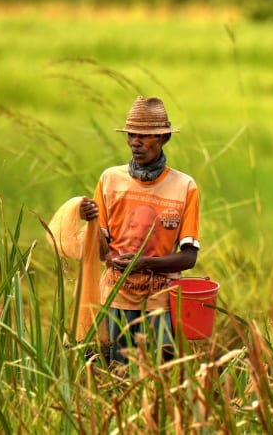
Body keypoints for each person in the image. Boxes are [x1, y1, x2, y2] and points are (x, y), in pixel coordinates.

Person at [79, 96, 200, 364]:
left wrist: (143, 263)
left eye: (145, 136)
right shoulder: (110, 180)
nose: (136, 142)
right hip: (115, 299)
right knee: (118, 376)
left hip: (160, 304)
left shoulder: (184, 187)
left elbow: (189, 257)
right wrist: (91, 221)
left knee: (160, 376)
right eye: (132, 135)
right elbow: (101, 251)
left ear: (164, 138)